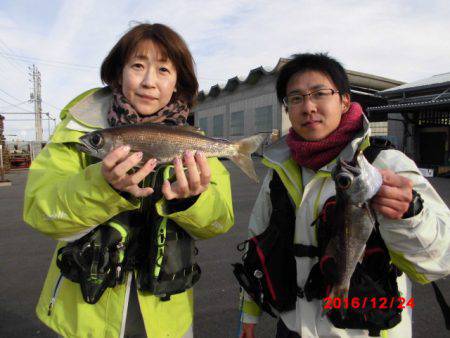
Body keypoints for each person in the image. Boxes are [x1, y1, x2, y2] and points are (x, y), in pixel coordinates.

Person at [23, 23, 234, 338]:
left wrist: (192, 201)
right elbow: (40, 212)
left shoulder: (193, 140)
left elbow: (220, 221)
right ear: (117, 74)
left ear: (178, 83)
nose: (149, 81)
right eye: (138, 66)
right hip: (84, 318)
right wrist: (102, 186)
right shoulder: (77, 132)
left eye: (164, 70)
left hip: (168, 318)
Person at [239, 53, 450, 337]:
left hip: (366, 330)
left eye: (319, 93)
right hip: (291, 328)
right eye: (296, 98)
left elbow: (440, 261)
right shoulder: (279, 173)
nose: (308, 106)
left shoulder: (387, 163)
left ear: (344, 101)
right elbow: (257, 244)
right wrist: (248, 315)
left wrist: (411, 213)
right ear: (287, 110)